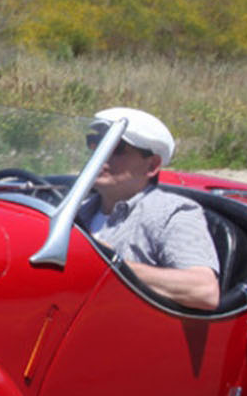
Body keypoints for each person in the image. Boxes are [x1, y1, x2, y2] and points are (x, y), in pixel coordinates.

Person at [78, 107, 222, 311]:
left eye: (116, 148)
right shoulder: (77, 210)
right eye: (95, 144)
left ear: (152, 165)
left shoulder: (173, 212)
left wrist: (108, 263)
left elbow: (203, 290)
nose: (100, 155)